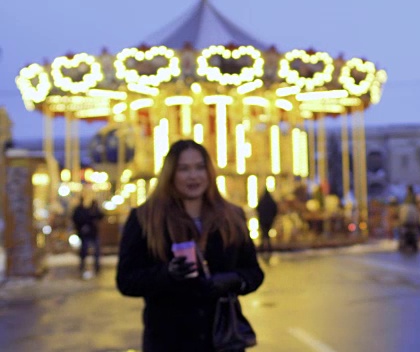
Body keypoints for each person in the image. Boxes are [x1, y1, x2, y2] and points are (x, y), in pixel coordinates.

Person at [116, 140, 264, 351]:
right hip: (169, 341)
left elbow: (254, 273)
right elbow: (126, 280)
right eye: (184, 169)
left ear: (209, 172)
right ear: (170, 174)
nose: (193, 176)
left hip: (220, 339)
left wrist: (233, 281)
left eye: (199, 167)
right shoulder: (145, 219)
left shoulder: (231, 217)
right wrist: (167, 274)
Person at [72, 197, 104, 275]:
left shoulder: (93, 211)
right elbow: (77, 219)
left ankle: (96, 265)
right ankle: (84, 264)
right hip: (86, 234)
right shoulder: (82, 211)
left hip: (92, 233)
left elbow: (101, 216)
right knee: (85, 250)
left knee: (95, 250)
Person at [256, 188, 278, 254]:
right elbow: (275, 209)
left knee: (264, 233)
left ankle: (263, 245)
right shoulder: (271, 201)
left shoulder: (262, 201)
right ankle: (268, 246)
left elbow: (258, 209)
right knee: (266, 233)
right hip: (269, 220)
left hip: (263, 219)